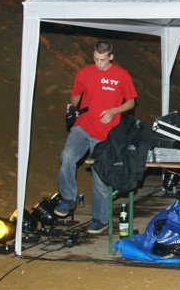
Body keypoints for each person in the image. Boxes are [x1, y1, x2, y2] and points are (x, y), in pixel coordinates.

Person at [54, 40, 138, 234]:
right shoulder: (84, 73)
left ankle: (100, 219)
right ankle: (68, 198)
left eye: (103, 60)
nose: (99, 63)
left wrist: (113, 110)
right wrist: (72, 107)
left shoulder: (122, 75)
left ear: (111, 57)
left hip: (107, 134)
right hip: (84, 125)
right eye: (95, 59)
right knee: (67, 156)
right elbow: (76, 95)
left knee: (100, 178)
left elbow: (131, 102)